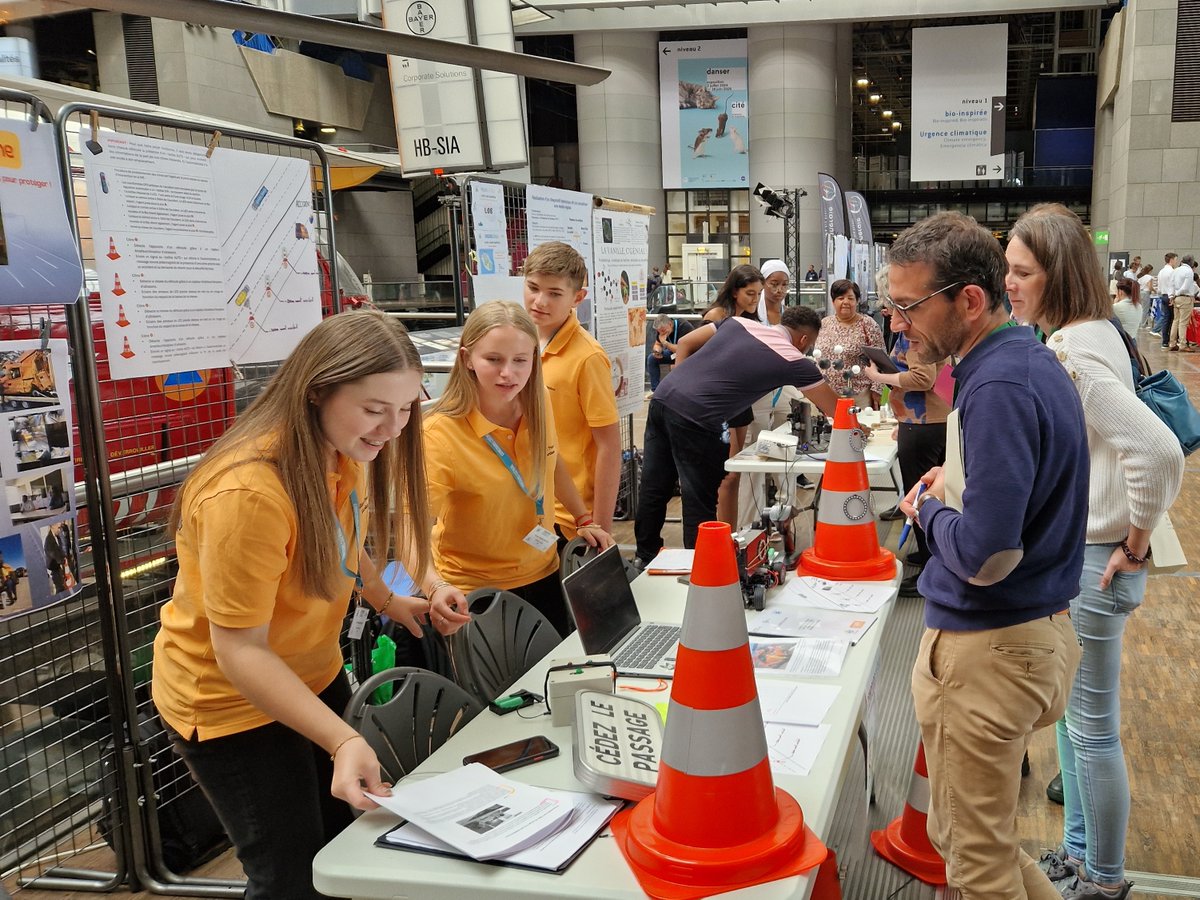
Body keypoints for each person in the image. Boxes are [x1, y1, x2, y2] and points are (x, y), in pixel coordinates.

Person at [151, 310, 471, 900]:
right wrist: (344, 739)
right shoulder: (248, 493)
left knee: (338, 847)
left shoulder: (338, 448)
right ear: (318, 389)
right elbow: (240, 649)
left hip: (310, 673)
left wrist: (388, 599)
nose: (392, 428)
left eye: (405, 410)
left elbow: (339, 539)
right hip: (232, 706)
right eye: (376, 410)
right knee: (289, 874)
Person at [888, 211, 1087, 900]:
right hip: (1028, 633)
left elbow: (989, 554)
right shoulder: (1023, 362)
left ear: (969, 300)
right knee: (980, 848)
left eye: (910, 306)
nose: (900, 324)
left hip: (992, 645)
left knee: (975, 864)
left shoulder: (997, 385)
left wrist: (930, 511)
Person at [1005, 204, 1183, 900]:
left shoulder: (1073, 351)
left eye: (1023, 272)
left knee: (1094, 731)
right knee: (1079, 730)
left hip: (1098, 559)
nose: (1011, 283)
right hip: (1091, 556)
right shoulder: (1091, 332)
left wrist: (1135, 543)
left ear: (1059, 274)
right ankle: (1080, 859)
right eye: (1009, 270)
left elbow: (1157, 448)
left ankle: (1104, 879)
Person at [424, 302, 613, 636]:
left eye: (520, 360)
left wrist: (583, 518)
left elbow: (551, 466)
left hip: (544, 572)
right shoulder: (440, 435)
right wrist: (433, 585)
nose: (507, 373)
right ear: (467, 358)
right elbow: (414, 529)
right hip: (475, 593)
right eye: (493, 360)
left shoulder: (537, 408)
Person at [634, 306, 838, 564]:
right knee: (699, 498)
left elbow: (685, 342)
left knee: (654, 487)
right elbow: (836, 409)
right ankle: (702, 569)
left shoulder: (737, 323)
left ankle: (644, 556)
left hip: (663, 398)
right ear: (804, 340)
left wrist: (686, 387)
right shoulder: (793, 358)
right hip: (699, 417)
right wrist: (861, 426)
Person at [862, 264, 950, 598]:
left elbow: (923, 379)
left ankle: (931, 569)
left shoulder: (918, 332)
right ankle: (929, 557)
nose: (889, 313)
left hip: (926, 423)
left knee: (922, 498)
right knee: (924, 495)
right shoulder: (908, 329)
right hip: (919, 420)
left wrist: (880, 378)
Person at [522, 241, 621, 538]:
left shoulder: (588, 357)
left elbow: (609, 445)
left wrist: (599, 526)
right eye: (533, 288)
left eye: (554, 293)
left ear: (578, 297)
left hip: (570, 517)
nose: (540, 301)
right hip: (524, 506)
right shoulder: (519, 342)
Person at [697, 265, 765, 527]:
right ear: (734, 290)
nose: (755, 300)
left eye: (758, 294)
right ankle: (723, 533)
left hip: (740, 400)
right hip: (718, 401)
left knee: (735, 473)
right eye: (750, 293)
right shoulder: (717, 315)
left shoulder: (749, 319)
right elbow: (698, 355)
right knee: (727, 474)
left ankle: (731, 533)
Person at [816, 279, 884, 407]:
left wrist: (877, 389)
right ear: (833, 301)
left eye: (850, 298)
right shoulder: (824, 323)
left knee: (857, 427)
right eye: (841, 298)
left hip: (858, 395)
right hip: (826, 394)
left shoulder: (868, 324)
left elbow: (880, 359)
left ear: (857, 301)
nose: (845, 302)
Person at [647, 313, 693, 392]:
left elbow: (682, 349)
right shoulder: (662, 329)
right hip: (673, 354)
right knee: (652, 358)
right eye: (659, 331)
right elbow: (657, 344)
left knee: (676, 366)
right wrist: (657, 351)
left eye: (663, 331)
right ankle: (656, 390)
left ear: (670, 324)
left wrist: (665, 343)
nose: (661, 333)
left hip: (689, 355)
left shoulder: (684, 327)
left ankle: (681, 390)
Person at [1167, 253, 1198, 351]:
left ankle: (1172, 343)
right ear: (1191, 262)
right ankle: (1182, 344)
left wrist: (1172, 296)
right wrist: (1177, 293)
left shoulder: (1176, 270)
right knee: (1183, 323)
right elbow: (1185, 287)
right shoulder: (1189, 271)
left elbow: (1171, 284)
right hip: (1185, 298)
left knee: (1175, 321)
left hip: (1176, 299)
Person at [756, 259, 790, 325]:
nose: (779, 290)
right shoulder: (752, 315)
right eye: (774, 284)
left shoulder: (790, 315)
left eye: (784, 284)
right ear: (763, 284)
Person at [1155, 252, 1177, 342]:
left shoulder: (1161, 271)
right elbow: (1174, 285)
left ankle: (1165, 341)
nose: (1176, 262)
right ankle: (1169, 340)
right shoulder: (1172, 272)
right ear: (1171, 260)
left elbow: (1159, 287)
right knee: (1171, 319)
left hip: (1163, 295)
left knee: (1165, 318)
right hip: (1170, 296)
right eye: (1175, 260)